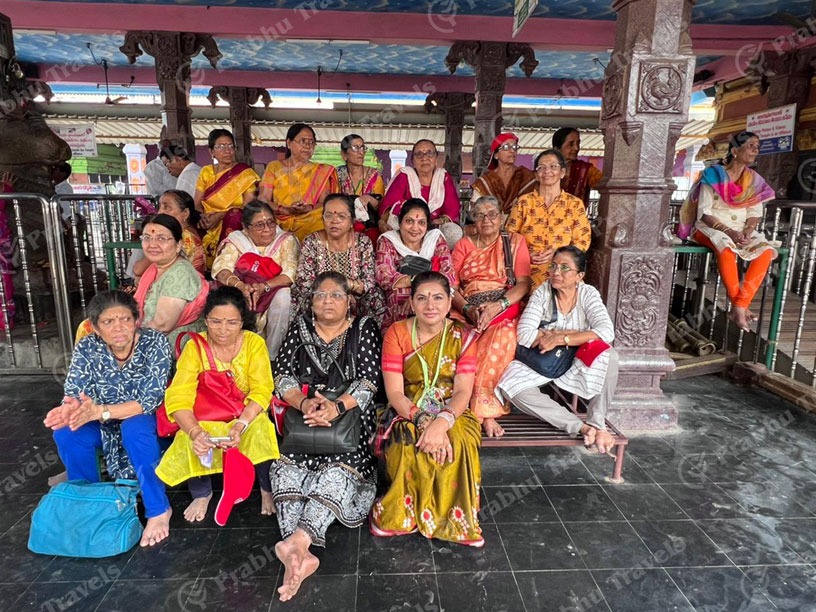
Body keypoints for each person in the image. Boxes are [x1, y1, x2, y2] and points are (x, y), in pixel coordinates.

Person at [271, 271, 381, 601]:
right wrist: (304, 403)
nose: (328, 301)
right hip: (304, 417)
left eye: (336, 295)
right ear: (312, 301)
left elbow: (369, 380)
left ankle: (297, 544)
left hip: (348, 421)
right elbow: (282, 376)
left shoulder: (363, 328)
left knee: (337, 473)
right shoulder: (300, 327)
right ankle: (298, 552)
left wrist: (336, 407)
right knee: (285, 470)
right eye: (321, 295)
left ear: (349, 302)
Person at [44, 290, 173, 547]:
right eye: (108, 322)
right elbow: (75, 392)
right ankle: (88, 501)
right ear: (95, 327)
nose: (118, 328)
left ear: (136, 320)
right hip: (103, 426)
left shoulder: (155, 343)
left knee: (135, 429)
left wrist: (101, 411)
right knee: (68, 431)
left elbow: (149, 401)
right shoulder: (87, 347)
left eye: (125, 319)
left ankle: (159, 509)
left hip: (146, 422)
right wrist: (70, 408)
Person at [370, 271, 483, 547]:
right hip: (406, 408)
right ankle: (402, 515)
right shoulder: (397, 333)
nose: (430, 305)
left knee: (460, 439)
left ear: (449, 303)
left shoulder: (463, 336)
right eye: (421, 298)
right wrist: (422, 420)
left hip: (452, 408)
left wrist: (442, 423)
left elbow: (463, 391)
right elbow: (395, 393)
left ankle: (454, 521)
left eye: (438, 298)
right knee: (407, 440)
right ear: (411, 303)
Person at [155, 287, 280, 521]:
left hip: (244, 415)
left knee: (262, 428)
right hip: (205, 417)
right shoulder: (195, 346)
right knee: (188, 438)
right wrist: (195, 431)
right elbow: (179, 395)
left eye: (232, 323)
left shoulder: (253, 343)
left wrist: (240, 424)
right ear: (206, 320)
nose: (223, 329)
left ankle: (266, 488)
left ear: (242, 322)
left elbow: (262, 390)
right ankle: (202, 494)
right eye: (216, 321)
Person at [497, 246, 618, 454]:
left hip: (577, 358)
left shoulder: (588, 293)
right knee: (512, 388)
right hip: (544, 359)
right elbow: (525, 335)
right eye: (553, 266)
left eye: (564, 268)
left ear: (579, 276)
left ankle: (597, 423)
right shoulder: (542, 293)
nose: (556, 272)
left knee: (609, 356)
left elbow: (606, 331)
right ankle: (581, 427)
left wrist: (561, 337)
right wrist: (580, 335)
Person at [678, 131, 777, 331]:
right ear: (735, 151)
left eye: (757, 146)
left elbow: (754, 213)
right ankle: (740, 307)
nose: (755, 150)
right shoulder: (713, 175)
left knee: (766, 251)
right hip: (710, 227)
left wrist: (748, 230)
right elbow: (704, 213)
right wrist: (730, 232)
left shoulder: (753, 180)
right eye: (750, 146)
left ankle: (739, 306)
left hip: (741, 229)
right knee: (726, 249)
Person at [451, 195, 531, 438]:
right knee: (458, 339)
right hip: (467, 307)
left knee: (501, 337)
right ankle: (461, 404)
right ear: (473, 219)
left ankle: (484, 412)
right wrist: (468, 309)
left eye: (492, 214)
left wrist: (498, 305)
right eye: (480, 215)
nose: (486, 220)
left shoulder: (515, 242)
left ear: (502, 217)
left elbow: (523, 283)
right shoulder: (464, 245)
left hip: (503, 307)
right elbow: (451, 286)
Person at [212, 200, 299, 359]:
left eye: (271, 223)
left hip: (271, 296)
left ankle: (272, 356)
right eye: (259, 225)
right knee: (227, 294)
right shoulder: (236, 240)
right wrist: (240, 286)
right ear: (246, 227)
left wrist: (264, 286)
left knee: (284, 296)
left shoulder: (286, 240)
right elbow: (221, 270)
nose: (267, 229)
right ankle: (232, 355)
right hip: (242, 294)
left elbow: (290, 274)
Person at [292, 194, 385, 326]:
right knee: (302, 297)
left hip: (355, 299)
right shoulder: (311, 242)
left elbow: (369, 281)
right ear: (322, 218)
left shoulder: (363, 242)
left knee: (375, 296)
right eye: (329, 215)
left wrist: (347, 290)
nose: (334, 221)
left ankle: (368, 335)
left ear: (352, 221)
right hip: (321, 298)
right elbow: (304, 281)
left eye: (341, 216)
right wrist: (337, 295)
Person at [506, 149, 591, 292]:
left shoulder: (574, 204)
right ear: (536, 175)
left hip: (562, 273)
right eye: (541, 167)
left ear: (562, 172)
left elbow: (582, 241)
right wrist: (525, 255)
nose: (547, 171)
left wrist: (558, 255)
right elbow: (509, 237)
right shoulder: (524, 202)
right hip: (526, 271)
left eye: (553, 166)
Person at [375, 199, 457, 330]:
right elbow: (384, 276)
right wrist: (417, 284)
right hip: (398, 298)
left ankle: (434, 339)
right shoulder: (388, 240)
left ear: (427, 225)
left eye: (421, 223)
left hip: (433, 290)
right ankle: (399, 339)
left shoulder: (435, 239)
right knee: (400, 296)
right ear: (400, 222)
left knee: (437, 299)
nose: (415, 228)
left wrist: (420, 295)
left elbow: (448, 274)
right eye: (409, 221)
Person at [259, 123, 339, 242]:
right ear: (289, 143)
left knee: (326, 223)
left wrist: (308, 208)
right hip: (280, 220)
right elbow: (263, 199)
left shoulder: (322, 171)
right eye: (303, 141)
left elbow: (325, 203)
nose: (308, 146)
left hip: (311, 219)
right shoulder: (274, 167)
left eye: (311, 142)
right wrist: (284, 210)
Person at [195, 129, 260, 268]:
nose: (228, 151)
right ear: (211, 151)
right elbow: (197, 203)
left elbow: (248, 207)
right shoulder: (206, 172)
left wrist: (220, 215)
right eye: (221, 146)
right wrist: (202, 217)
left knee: (235, 214)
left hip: (232, 221)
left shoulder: (245, 173)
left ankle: (226, 262)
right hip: (208, 220)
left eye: (231, 146)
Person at [379, 139, 462, 248]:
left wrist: (441, 220)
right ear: (413, 160)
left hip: (435, 226)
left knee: (454, 231)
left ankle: (441, 256)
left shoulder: (443, 177)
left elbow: (452, 208)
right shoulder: (405, 175)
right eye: (419, 154)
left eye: (430, 153)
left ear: (436, 158)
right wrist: (382, 222)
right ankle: (403, 254)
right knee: (393, 223)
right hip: (409, 226)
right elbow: (390, 204)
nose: (424, 158)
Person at [470, 133, 536, 215]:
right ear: (496, 155)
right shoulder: (485, 182)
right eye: (506, 147)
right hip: (491, 222)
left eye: (514, 147)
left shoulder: (527, 177)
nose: (512, 151)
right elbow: (476, 211)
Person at [337, 133, 384, 244]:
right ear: (344, 155)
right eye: (355, 148)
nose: (361, 152)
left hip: (370, 226)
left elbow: (382, 208)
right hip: (343, 225)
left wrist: (369, 199)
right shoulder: (337, 175)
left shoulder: (374, 175)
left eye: (362, 147)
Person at [157, 190, 206, 274]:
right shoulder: (185, 232)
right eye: (159, 207)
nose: (159, 212)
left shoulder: (185, 236)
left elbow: (138, 269)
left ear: (185, 213)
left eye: (167, 207)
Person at [552, 127, 603, 204]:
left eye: (578, 143)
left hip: (577, 212)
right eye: (571, 144)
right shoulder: (546, 169)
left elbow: (605, 184)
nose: (576, 148)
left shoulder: (586, 169)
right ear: (557, 149)